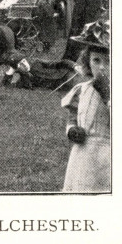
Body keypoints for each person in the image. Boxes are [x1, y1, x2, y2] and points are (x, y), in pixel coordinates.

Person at [61, 19, 110, 192]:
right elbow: (73, 117)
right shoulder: (81, 90)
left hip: (108, 156)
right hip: (83, 154)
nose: (102, 68)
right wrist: (72, 130)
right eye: (96, 61)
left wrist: (107, 94)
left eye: (109, 61)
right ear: (87, 62)